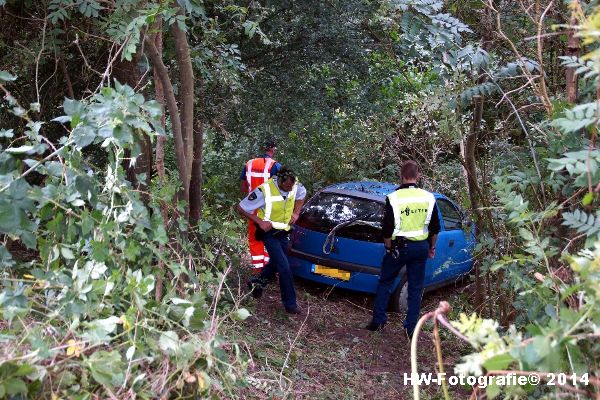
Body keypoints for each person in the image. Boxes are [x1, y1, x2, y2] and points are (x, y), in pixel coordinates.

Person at [365, 160, 440, 338]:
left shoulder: (393, 198)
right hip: (421, 248)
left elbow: (386, 229)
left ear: (401, 175)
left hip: (399, 247)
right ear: (418, 176)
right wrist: (432, 247)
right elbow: (435, 228)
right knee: (415, 288)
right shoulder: (429, 198)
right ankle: (410, 329)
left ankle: (378, 321)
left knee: (385, 282)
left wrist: (389, 247)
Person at [236, 167, 306, 314]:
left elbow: (302, 194)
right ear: (279, 180)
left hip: (284, 231)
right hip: (269, 233)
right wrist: (259, 222)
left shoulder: (295, 185)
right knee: (284, 267)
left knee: (275, 263)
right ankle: (290, 305)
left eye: (291, 186)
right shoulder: (264, 190)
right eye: (286, 186)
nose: (289, 188)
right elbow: (241, 207)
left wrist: (296, 212)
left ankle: (256, 284)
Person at [240, 140, 282, 272]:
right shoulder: (275, 166)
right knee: (271, 238)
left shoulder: (249, 164)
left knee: (254, 238)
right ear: (273, 150)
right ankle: (269, 269)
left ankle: (258, 269)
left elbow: (243, 188)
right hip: (269, 210)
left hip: (252, 208)